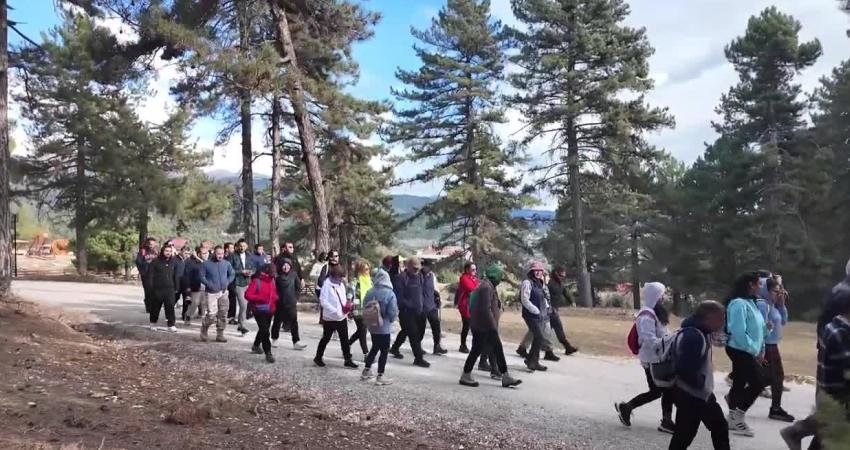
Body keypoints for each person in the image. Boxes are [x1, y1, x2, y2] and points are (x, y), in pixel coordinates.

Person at [781, 258, 850, 450]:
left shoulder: (842, 289)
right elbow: (831, 329)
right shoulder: (845, 293)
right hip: (836, 359)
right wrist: (829, 354)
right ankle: (797, 431)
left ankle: (797, 432)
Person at [668, 301, 730, 450]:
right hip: (693, 395)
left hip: (697, 394)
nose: (723, 322)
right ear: (709, 317)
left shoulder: (700, 332)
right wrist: (700, 383)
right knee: (686, 436)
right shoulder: (694, 336)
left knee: (686, 435)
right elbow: (685, 369)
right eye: (721, 318)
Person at [616, 282, 675, 434]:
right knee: (661, 390)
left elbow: (662, 332)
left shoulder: (655, 312)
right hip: (652, 359)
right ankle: (628, 407)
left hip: (658, 357)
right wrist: (668, 341)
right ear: (655, 295)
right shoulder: (647, 315)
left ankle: (666, 420)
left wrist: (672, 337)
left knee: (665, 389)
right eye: (662, 294)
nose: (664, 297)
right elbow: (649, 339)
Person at [458, 264, 522, 388]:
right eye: (499, 278)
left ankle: (467, 374)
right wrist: (492, 325)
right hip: (484, 325)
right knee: (495, 348)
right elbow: (485, 309)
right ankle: (505, 376)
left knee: (480, 349)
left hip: (480, 324)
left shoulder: (486, 285)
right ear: (494, 277)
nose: (499, 281)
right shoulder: (486, 287)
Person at [725, 271, 769, 437]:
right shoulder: (738, 304)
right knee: (758, 383)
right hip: (740, 349)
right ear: (751, 284)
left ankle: (732, 417)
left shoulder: (751, 302)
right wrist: (753, 350)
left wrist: (767, 328)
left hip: (747, 349)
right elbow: (738, 331)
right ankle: (738, 417)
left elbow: (756, 327)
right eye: (759, 284)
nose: (761, 287)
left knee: (739, 382)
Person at [756, 276, 795, 422]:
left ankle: (775, 408)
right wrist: (760, 350)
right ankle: (775, 409)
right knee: (773, 377)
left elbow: (783, 321)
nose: (778, 294)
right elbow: (760, 328)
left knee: (771, 377)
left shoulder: (773, 305)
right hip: (766, 346)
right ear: (766, 290)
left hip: (773, 345)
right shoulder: (762, 305)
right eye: (774, 291)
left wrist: (782, 304)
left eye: (780, 291)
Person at [360, 268, 400, 385]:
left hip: (372, 325)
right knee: (384, 351)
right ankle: (380, 376)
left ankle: (366, 370)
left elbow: (364, 305)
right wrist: (392, 320)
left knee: (374, 347)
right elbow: (392, 312)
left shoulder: (370, 291)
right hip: (384, 327)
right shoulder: (389, 293)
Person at [314, 264, 357, 369]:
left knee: (344, 339)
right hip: (330, 317)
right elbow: (323, 301)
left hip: (341, 317)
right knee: (326, 338)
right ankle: (318, 357)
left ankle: (347, 359)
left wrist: (346, 307)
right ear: (334, 276)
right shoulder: (327, 285)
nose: (341, 279)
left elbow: (342, 298)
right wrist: (335, 310)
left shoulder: (341, 285)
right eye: (340, 277)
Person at [389, 257, 430, 368]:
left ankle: (395, 348)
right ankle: (418, 358)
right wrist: (408, 306)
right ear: (408, 266)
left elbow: (421, 292)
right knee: (413, 334)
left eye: (418, 268)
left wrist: (424, 306)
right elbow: (399, 297)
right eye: (414, 268)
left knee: (413, 332)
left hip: (420, 311)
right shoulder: (401, 278)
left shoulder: (420, 276)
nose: (417, 270)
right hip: (406, 312)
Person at [199, 246, 236, 342]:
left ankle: (220, 334)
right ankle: (204, 329)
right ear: (214, 253)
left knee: (223, 314)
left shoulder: (226, 263)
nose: (220, 256)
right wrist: (209, 284)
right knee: (211, 315)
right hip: (211, 293)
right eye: (218, 253)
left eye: (222, 254)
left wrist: (227, 282)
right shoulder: (206, 264)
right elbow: (201, 277)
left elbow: (232, 273)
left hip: (223, 292)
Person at [520, 261, 550, 372]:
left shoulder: (539, 282)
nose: (538, 273)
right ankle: (532, 360)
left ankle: (533, 360)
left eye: (540, 271)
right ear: (532, 271)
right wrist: (535, 310)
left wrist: (546, 307)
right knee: (539, 337)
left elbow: (542, 297)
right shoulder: (527, 283)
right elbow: (524, 299)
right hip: (530, 314)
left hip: (539, 315)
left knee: (538, 337)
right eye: (536, 271)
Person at [245, 264, 278, 363]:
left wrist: (276, 298)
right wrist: (261, 299)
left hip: (270, 310)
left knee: (264, 329)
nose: (275, 273)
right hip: (258, 310)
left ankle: (255, 345)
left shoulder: (272, 280)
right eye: (273, 271)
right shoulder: (257, 281)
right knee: (265, 331)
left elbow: (274, 293)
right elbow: (247, 295)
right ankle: (268, 353)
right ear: (267, 271)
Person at [272, 257, 307, 350]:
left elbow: (298, 288)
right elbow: (273, 289)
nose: (285, 266)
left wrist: (295, 298)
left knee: (294, 322)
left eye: (287, 265)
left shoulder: (294, 275)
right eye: (284, 265)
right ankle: (274, 338)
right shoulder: (277, 276)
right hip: (279, 303)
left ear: (290, 266)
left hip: (291, 303)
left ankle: (296, 342)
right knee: (277, 321)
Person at [146, 244, 180, 332]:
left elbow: (176, 275)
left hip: (170, 289)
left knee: (170, 307)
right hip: (158, 289)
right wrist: (151, 288)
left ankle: (171, 325)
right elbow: (150, 276)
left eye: (170, 251)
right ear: (162, 251)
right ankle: (153, 323)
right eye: (166, 251)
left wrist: (177, 287)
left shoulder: (174, 262)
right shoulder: (155, 262)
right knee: (156, 307)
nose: (168, 253)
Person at [547, 266, 579, 355]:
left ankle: (567, 347)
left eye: (563, 276)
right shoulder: (549, 283)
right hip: (547, 310)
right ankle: (547, 351)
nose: (562, 278)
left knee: (557, 329)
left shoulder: (560, 284)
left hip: (554, 311)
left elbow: (566, 292)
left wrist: (572, 301)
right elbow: (544, 295)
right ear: (556, 273)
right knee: (543, 331)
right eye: (561, 276)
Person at [228, 239, 255, 335]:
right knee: (243, 305)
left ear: (246, 246)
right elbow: (230, 269)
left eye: (244, 246)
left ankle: (241, 325)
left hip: (248, 282)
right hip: (237, 283)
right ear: (237, 246)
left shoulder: (249, 255)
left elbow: (254, 267)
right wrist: (241, 272)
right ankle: (241, 325)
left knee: (245, 306)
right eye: (240, 246)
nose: (242, 247)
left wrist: (252, 272)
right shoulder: (232, 256)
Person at [420, 261, 447, 355]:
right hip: (421, 307)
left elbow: (435, 289)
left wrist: (438, 298)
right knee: (421, 328)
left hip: (432, 305)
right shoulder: (418, 276)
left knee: (436, 327)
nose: (429, 269)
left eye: (430, 267)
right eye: (427, 267)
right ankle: (418, 347)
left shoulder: (432, 276)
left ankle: (437, 346)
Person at [347, 260, 371, 356]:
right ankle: (366, 354)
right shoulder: (354, 282)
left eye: (368, 269)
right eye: (366, 269)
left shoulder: (369, 281)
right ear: (360, 270)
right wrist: (348, 308)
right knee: (362, 330)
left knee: (361, 330)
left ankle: (347, 344)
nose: (368, 271)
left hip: (368, 309)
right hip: (357, 309)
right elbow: (349, 295)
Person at [456, 262, 479, 353]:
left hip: (472, 305)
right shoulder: (464, 278)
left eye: (475, 269)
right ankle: (463, 344)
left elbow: (478, 287)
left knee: (471, 325)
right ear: (467, 270)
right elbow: (472, 289)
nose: (475, 271)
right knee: (467, 325)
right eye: (473, 270)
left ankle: (471, 344)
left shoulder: (473, 278)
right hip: (465, 306)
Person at [183, 246, 208, 325]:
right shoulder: (191, 262)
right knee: (194, 303)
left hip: (207, 287)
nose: (206, 255)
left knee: (205, 304)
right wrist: (188, 287)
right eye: (203, 253)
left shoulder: (208, 262)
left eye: (206, 253)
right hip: (196, 286)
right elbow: (187, 275)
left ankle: (205, 321)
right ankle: (188, 315)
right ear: (198, 254)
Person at [135, 237, 158, 313]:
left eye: (153, 244)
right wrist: (145, 266)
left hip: (155, 274)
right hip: (146, 274)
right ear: (147, 243)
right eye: (150, 244)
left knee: (155, 291)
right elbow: (138, 262)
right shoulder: (143, 251)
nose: (151, 245)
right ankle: (148, 307)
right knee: (148, 291)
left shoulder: (157, 252)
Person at [224, 242, 237, 324]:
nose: (233, 249)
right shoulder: (221, 257)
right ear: (227, 249)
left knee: (232, 298)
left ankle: (231, 316)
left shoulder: (234, 256)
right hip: (222, 281)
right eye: (231, 248)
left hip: (231, 280)